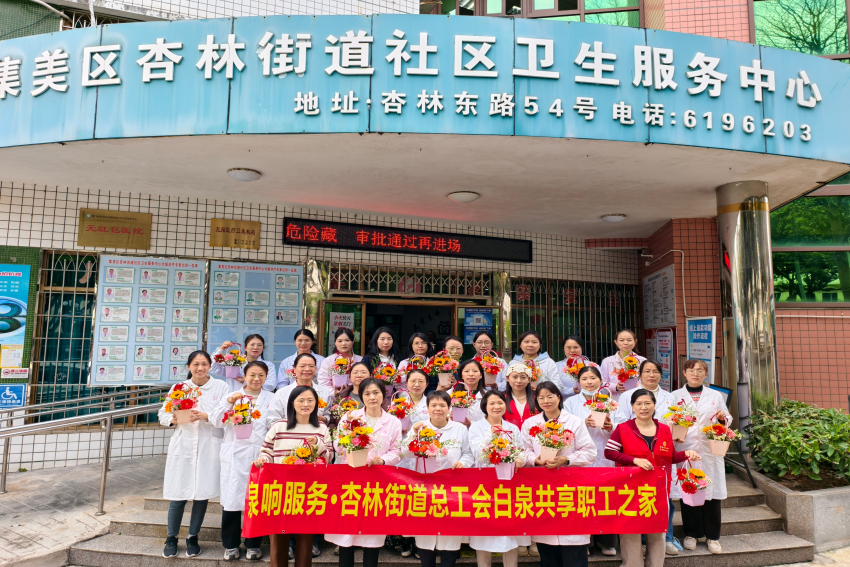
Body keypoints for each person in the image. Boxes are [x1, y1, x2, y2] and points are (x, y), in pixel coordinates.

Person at [605, 389, 701, 567]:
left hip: (657, 488)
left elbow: (670, 457)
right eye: (639, 404)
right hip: (630, 489)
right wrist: (634, 460)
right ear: (632, 407)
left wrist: (686, 454)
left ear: (654, 406)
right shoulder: (623, 429)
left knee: (657, 531)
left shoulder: (664, 429)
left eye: (647, 403)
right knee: (631, 530)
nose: (643, 407)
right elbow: (609, 452)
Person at [158, 350, 230, 559]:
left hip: (209, 445)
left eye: (204, 364)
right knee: (178, 493)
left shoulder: (221, 387)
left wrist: (206, 416)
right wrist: (173, 419)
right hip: (184, 445)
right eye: (196, 364)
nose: (200, 368)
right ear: (189, 366)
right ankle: (171, 537)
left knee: (201, 494)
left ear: (210, 366)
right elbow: (163, 413)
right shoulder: (180, 388)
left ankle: (192, 537)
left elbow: (226, 416)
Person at [327, 378, 402, 567]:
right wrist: (349, 436)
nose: (372, 397)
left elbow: (397, 450)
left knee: (372, 531)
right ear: (361, 396)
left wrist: (383, 460)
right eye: (367, 393)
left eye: (376, 393)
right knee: (347, 531)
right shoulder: (351, 417)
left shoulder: (393, 422)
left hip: (377, 481)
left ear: (383, 394)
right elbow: (337, 446)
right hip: (351, 480)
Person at [254, 386, 331, 567]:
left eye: (310, 400)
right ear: (292, 403)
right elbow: (267, 451)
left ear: (316, 404)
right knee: (278, 539)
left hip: (309, 492)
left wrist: (318, 444)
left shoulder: (321, 428)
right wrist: (263, 460)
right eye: (301, 400)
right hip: (281, 490)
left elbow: (329, 457)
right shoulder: (279, 426)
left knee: (305, 540)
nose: (306, 404)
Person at [522, 382, 597, 563]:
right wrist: (535, 459)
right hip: (543, 490)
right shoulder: (530, 423)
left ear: (559, 397)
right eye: (541, 397)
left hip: (570, 488)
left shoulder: (574, 422)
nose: (546, 401)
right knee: (547, 550)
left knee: (574, 547)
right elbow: (522, 450)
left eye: (550, 396)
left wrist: (567, 459)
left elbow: (590, 452)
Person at [610, 359, 679, 555]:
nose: (651, 375)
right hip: (635, 455)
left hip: (662, 454)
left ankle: (666, 538)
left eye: (655, 371)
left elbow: (677, 419)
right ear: (639, 375)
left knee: (664, 500)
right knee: (635, 500)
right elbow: (620, 421)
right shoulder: (627, 396)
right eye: (647, 371)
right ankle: (639, 541)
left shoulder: (670, 397)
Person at [211, 362, 275, 561]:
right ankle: (230, 545)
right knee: (231, 500)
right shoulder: (232, 396)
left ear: (266, 378)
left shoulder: (271, 398)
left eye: (261, 375)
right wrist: (229, 403)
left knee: (256, 501)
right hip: (235, 455)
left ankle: (253, 544)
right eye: (252, 375)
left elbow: (274, 425)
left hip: (259, 455)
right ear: (244, 376)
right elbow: (216, 420)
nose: (256, 379)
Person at [404, 391, 473, 567]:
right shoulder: (419, 428)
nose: (438, 409)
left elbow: (468, 453)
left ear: (449, 408)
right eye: (433, 405)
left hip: (451, 490)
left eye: (442, 405)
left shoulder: (460, 429)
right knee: (425, 536)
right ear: (427, 408)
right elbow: (404, 452)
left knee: (450, 537)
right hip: (424, 490)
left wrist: (462, 463)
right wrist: (413, 434)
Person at [670, 359, 732, 555]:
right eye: (691, 370)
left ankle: (713, 537)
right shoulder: (675, 396)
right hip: (686, 449)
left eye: (700, 370)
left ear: (706, 374)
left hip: (709, 450)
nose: (695, 373)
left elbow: (727, 419)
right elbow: (667, 419)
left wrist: (722, 418)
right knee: (690, 491)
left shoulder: (715, 395)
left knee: (712, 493)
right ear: (684, 373)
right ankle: (691, 534)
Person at [468, 390, 528, 567]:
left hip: (509, 485)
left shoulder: (512, 428)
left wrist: (520, 459)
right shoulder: (476, 427)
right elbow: (478, 454)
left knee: (509, 531)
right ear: (484, 407)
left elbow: (521, 450)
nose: (496, 406)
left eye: (500, 403)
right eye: (492, 403)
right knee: (484, 531)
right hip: (485, 485)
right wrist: (491, 434)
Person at [563, 365, 617, 556]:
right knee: (583, 499)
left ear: (601, 381)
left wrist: (611, 426)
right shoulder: (570, 403)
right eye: (584, 379)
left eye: (593, 378)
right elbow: (564, 428)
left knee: (605, 499)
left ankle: (607, 541)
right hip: (581, 457)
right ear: (579, 382)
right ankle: (584, 542)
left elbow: (621, 427)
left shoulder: (610, 401)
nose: (589, 382)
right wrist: (582, 424)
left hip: (604, 456)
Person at [268, 353, 333, 424]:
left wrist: (324, 419)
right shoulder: (282, 393)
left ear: (316, 368)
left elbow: (327, 414)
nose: (307, 369)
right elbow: (272, 419)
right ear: (294, 368)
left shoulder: (324, 391)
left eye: (311, 366)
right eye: (302, 366)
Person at [212, 334, 277, 392]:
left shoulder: (268, 365)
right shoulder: (234, 361)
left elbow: (271, 385)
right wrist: (221, 349)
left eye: (259, 345)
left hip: (256, 398)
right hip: (234, 397)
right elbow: (212, 368)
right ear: (245, 347)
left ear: (262, 348)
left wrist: (247, 381)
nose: (255, 347)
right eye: (252, 344)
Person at [600, 329, 646, 401]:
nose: (626, 343)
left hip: (638, 399)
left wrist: (639, 386)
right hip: (615, 401)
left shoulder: (642, 361)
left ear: (635, 341)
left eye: (629, 340)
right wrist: (615, 387)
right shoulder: (607, 362)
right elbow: (601, 383)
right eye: (621, 340)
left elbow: (647, 380)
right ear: (616, 342)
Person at [503, 362, 538, 429]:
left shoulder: (537, 397)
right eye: (515, 377)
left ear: (529, 379)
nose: (519, 381)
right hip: (510, 434)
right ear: (507, 378)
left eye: (523, 377)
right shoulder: (501, 398)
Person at [452, 359, 486, 426]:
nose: (471, 374)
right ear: (461, 375)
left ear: (481, 375)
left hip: (479, 431)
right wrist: (448, 417)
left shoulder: (487, 396)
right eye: (466, 371)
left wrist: (470, 424)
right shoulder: (450, 393)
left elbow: (490, 420)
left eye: (475, 371)